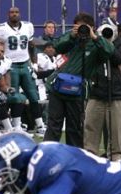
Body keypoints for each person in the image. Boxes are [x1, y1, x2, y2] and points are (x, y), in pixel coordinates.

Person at [46, 13, 109, 148]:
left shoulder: (96, 43)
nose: (82, 30)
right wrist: (72, 36)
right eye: (79, 26)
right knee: (53, 125)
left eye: (85, 27)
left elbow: (109, 52)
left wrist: (94, 37)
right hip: (58, 87)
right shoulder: (71, 37)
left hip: (77, 91)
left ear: (92, 27)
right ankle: (46, 154)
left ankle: (74, 159)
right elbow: (56, 47)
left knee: (75, 128)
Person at [82, 22, 121, 161]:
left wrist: (103, 43)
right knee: (90, 125)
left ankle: (116, 157)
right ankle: (90, 157)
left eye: (109, 32)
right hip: (97, 92)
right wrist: (97, 42)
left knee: (115, 129)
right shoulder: (93, 45)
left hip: (116, 92)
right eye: (104, 33)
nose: (107, 35)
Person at [0, 7, 43, 133]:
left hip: (25, 64)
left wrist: (34, 63)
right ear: (8, 15)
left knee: (33, 95)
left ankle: (40, 125)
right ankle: (14, 125)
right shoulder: (1, 28)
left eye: (16, 12)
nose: (14, 14)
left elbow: (31, 46)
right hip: (11, 65)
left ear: (20, 14)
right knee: (12, 96)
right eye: (12, 12)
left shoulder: (28, 26)